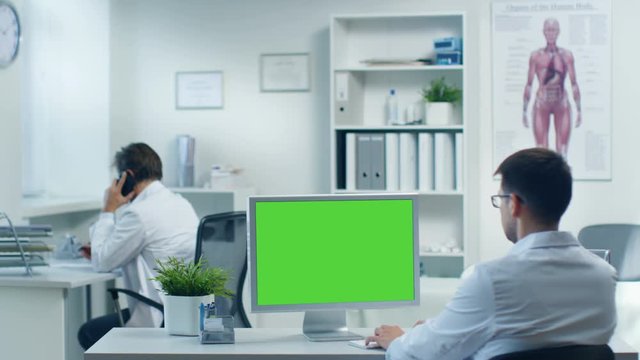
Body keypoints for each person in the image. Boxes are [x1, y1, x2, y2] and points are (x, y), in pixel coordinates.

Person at [366, 148, 616, 360]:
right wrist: (440, 331)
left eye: (500, 199)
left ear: (514, 204)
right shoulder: (604, 276)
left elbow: (433, 351)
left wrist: (402, 340)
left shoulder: (490, 279)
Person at [77, 143, 199, 350]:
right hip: (184, 313)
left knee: (88, 332)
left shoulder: (140, 213)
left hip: (158, 315)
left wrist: (108, 209)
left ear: (128, 176)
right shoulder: (180, 203)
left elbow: (101, 262)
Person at [523, 18, 581, 158]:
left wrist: (579, 110)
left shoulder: (566, 56)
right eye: (548, 30)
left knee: (562, 152)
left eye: (553, 30)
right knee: (541, 151)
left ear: (558, 32)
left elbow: (574, 83)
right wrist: (524, 110)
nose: (551, 33)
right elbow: (529, 84)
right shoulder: (536, 56)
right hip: (542, 102)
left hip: (561, 102)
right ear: (544, 32)